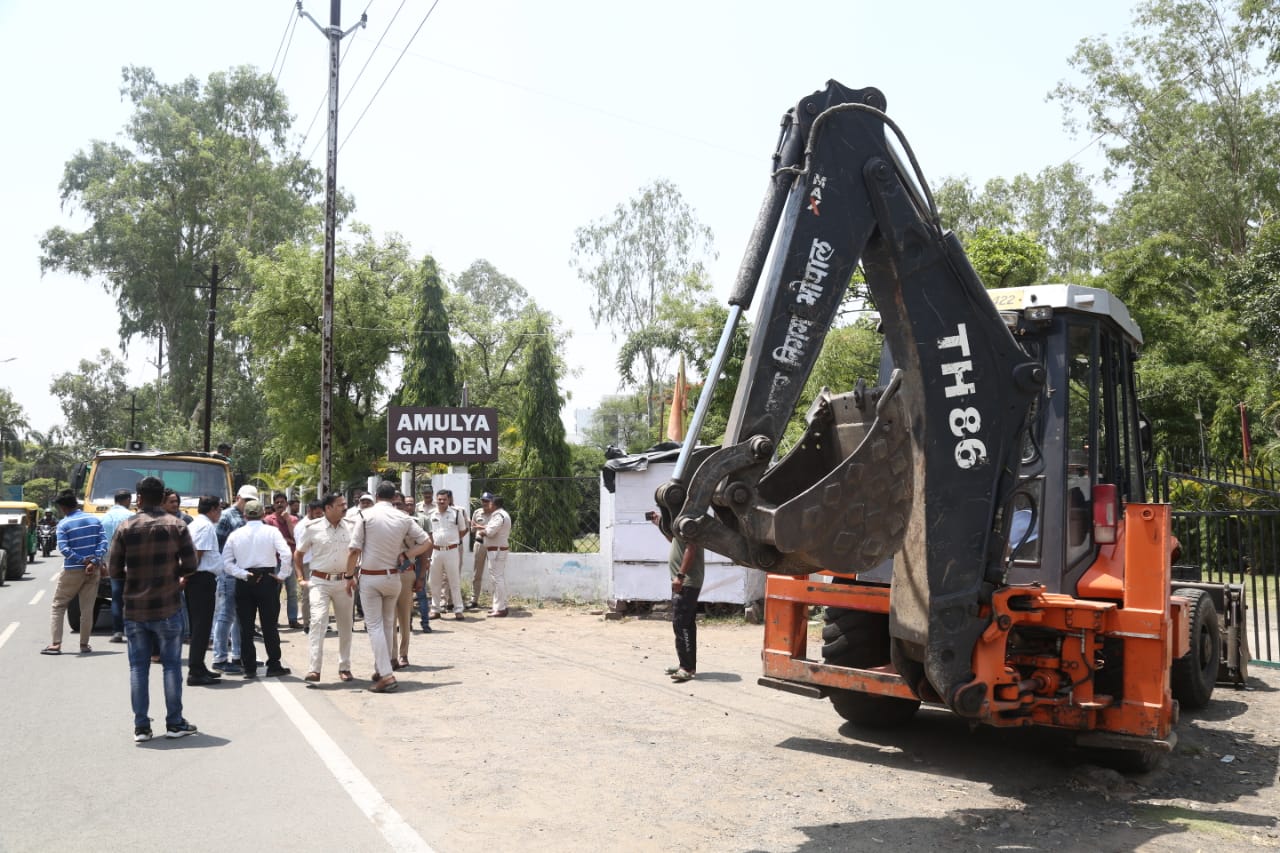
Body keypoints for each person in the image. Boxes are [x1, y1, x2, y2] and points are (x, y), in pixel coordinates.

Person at [106, 476, 199, 742]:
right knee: (171, 666)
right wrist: (171, 573)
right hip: (168, 605)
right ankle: (174, 723)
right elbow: (191, 565)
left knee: (138, 668)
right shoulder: (177, 525)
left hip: (135, 609)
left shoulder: (126, 527)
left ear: (139, 498)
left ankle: (142, 727)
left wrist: (135, 575)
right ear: (161, 498)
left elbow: (113, 570)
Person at [345, 481, 431, 693]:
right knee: (387, 624)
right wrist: (407, 555)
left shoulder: (365, 515)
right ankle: (381, 666)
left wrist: (348, 576)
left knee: (374, 626)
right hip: (393, 577)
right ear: (394, 498)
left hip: (371, 578)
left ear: (376, 495)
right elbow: (427, 541)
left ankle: (386, 675)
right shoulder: (403, 517)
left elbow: (354, 550)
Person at [223, 499, 293, 679]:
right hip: (267, 580)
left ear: (244, 515)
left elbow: (226, 563)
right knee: (269, 624)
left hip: (245, 581)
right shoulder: (271, 531)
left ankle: (249, 667)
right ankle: (274, 664)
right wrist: (282, 575)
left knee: (245, 626)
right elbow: (286, 553)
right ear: (263, 514)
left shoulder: (236, 534)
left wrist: (243, 574)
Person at [294, 493, 356, 684]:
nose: (344, 508)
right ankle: (314, 669)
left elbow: (357, 553)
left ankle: (344, 667)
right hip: (319, 582)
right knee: (318, 621)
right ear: (328, 508)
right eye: (340, 505)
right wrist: (300, 579)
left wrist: (353, 576)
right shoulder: (312, 528)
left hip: (344, 582)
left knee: (346, 625)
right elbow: (298, 554)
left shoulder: (352, 527)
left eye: (345, 504)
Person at [44, 490, 108, 655]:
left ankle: (56, 644)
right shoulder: (95, 520)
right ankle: (84, 645)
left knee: (58, 605)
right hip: (93, 571)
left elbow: (64, 549)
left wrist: (82, 561)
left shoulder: (64, 524)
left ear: (63, 507)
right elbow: (103, 542)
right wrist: (93, 561)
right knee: (87, 608)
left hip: (73, 570)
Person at [650, 509, 704, 682]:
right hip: (683, 582)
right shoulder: (681, 524)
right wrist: (659, 524)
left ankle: (686, 668)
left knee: (682, 624)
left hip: (686, 582)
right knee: (684, 624)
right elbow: (674, 542)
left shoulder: (689, 523)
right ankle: (686, 664)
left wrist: (680, 576)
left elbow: (691, 548)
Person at [211, 484, 256, 674]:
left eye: (251, 501)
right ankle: (220, 657)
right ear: (238, 497)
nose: (247, 504)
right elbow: (218, 545)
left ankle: (238, 656)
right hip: (230, 572)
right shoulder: (227, 516)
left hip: (244, 572)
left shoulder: (250, 517)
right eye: (245, 500)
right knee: (225, 615)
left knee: (240, 617)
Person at [185, 495, 224, 686]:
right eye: (220, 509)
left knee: (200, 626)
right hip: (200, 579)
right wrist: (187, 575)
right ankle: (195, 671)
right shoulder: (205, 526)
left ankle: (199, 666)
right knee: (201, 627)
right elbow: (197, 554)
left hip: (199, 579)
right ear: (213, 509)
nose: (221, 513)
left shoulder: (198, 524)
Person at [425, 490, 468, 620]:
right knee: (434, 581)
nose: (442, 501)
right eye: (439, 499)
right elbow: (429, 534)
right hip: (436, 551)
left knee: (454, 580)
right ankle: (435, 609)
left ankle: (458, 609)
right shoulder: (431, 514)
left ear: (449, 500)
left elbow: (463, 530)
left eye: (444, 499)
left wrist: (452, 540)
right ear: (436, 499)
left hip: (451, 551)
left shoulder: (456, 513)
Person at [265, 492, 304, 631]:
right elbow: (270, 539)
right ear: (274, 504)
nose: (280, 504)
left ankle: (293, 619)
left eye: (282, 502)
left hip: (291, 560)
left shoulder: (293, 519)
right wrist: (286, 540)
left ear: (286, 504)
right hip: (275, 560)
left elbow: (296, 538)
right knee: (274, 592)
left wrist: (287, 521)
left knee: (292, 591)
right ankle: (273, 620)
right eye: (277, 502)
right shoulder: (268, 520)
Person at [100, 489, 135, 643]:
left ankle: (117, 631)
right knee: (132, 595)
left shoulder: (104, 518)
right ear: (127, 500)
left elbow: (101, 542)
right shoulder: (131, 516)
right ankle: (132, 630)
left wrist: (102, 562)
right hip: (129, 559)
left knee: (116, 596)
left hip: (110, 560)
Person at [392, 493, 418, 669]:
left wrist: (422, 576)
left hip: (406, 573)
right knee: (388, 619)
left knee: (404, 617)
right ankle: (391, 655)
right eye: (392, 504)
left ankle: (403, 654)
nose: (396, 508)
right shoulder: (380, 524)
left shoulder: (411, 524)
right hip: (384, 574)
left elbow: (424, 547)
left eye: (399, 504)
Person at [480, 495, 513, 618]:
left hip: (496, 551)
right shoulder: (502, 515)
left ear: (493, 505)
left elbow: (490, 532)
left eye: (489, 503)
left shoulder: (498, 515)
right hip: (497, 550)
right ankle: (498, 606)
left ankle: (500, 608)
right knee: (498, 579)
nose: (488, 505)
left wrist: (482, 532)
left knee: (497, 579)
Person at [468, 492, 498, 610]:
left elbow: (497, 529)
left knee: (495, 574)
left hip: (493, 544)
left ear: (492, 502)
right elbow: (472, 528)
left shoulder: (497, 514)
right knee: (477, 573)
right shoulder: (477, 513)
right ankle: (473, 600)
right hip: (480, 544)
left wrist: (482, 527)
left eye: (487, 501)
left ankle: (496, 602)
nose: (485, 503)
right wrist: (484, 528)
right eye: (483, 501)